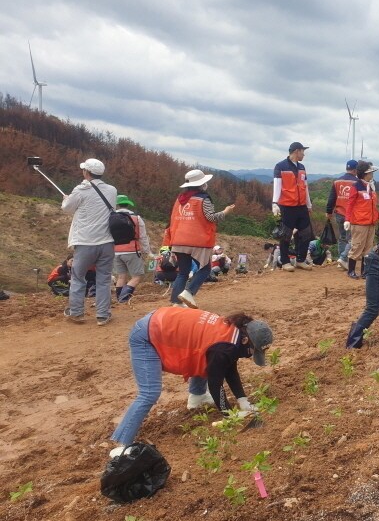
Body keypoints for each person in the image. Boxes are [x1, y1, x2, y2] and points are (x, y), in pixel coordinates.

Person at [109, 308, 273, 453]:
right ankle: (122, 442)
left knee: (204, 356)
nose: (251, 356)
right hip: (147, 335)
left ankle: (197, 397)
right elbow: (215, 383)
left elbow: (229, 368)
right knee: (149, 393)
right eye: (253, 351)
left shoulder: (233, 333)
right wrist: (230, 416)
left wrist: (243, 401)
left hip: (161, 321)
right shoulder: (224, 346)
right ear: (245, 340)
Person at [60, 158, 118, 325]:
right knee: (104, 279)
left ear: (86, 172)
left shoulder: (81, 189)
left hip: (85, 242)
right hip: (107, 242)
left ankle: (77, 313)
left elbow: (67, 208)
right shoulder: (112, 190)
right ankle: (102, 315)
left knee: (78, 278)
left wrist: (66, 198)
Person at [168, 170, 235, 308]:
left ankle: (176, 303)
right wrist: (226, 212)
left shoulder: (180, 199)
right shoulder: (203, 199)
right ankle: (189, 292)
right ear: (202, 184)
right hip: (198, 240)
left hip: (179, 239)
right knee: (205, 269)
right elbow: (211, 217)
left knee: (183, 272)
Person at [272, 141, 313, 271]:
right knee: (286, 235)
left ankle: (300, 260)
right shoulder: (280, 166)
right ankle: (285, 262)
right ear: (296, 151)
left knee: (306, 233)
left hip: (301, 205)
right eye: (302, 151)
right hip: (287, 205)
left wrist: (308, 204)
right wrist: (275, 203)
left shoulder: (302, 167)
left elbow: (305, 187)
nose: (304, 154)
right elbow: (277, 185)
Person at [344, 161, 379, 280]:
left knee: (368, 248)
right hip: (359, 222)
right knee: (357, 246)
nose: (372, 174)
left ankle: (364, 272)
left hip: (370, 222)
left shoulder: (370, 186)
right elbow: (350, 204)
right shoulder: (356, 186)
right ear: (365, 174)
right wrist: (347, 219)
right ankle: (351, 271)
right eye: (370, 172)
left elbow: (373, 205)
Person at [113, 195, 151, 303]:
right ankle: (123, 299)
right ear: (128, 204)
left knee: (121, 277)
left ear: (116, 205)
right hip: (131, 250)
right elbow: (143, 237)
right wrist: (147, 252)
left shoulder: (110, 218)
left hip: (115, 251)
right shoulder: (136, 218)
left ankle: (119, 299)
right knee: (137, 277)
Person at [325, 159, 359, 268]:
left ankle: (341, 259)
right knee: (352, 238)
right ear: (355, 170)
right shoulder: (357, 183)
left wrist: (328, 211)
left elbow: (332, 198)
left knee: (342, 237)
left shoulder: (337, 181)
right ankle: (343, 258)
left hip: (339, 213)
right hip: (351, 215)